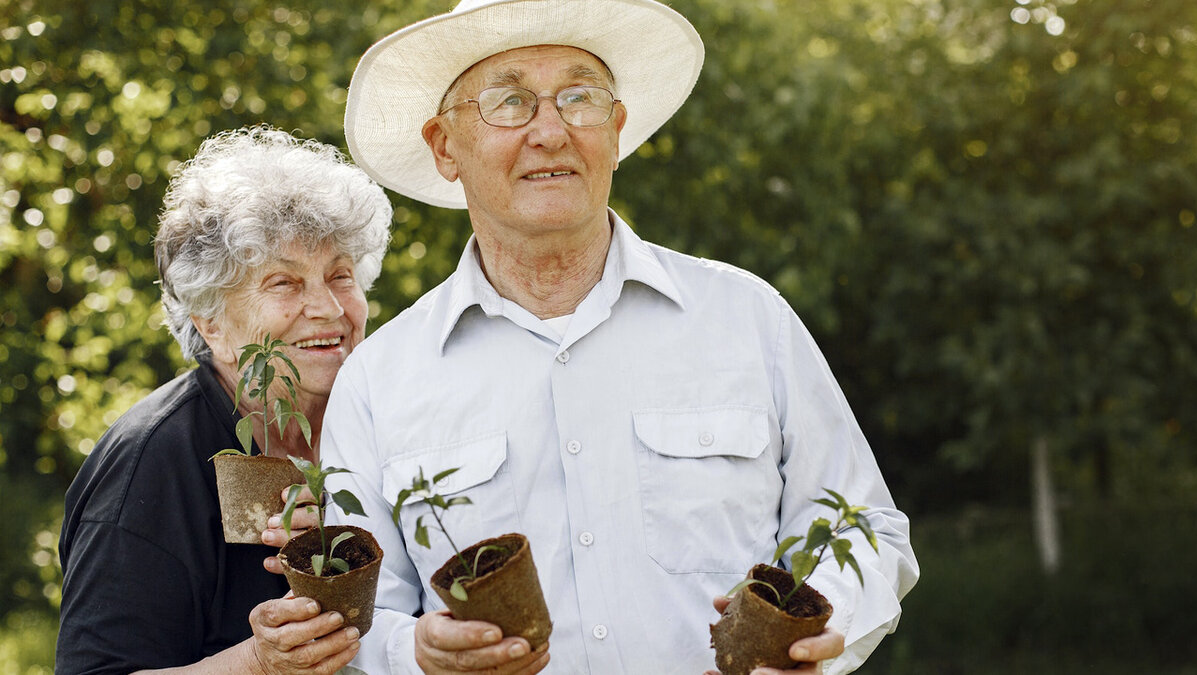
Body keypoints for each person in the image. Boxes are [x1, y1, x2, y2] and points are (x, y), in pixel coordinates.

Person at [324, 0, 919, 673]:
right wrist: (414, 654)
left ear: (615, 128)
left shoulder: (749, 319)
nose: (550, 130)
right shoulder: (378, 379)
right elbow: (355, 619)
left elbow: (863, 528)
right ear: (444, 147)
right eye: (510, 100)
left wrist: (815, 634)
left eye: (579, 97)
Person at [57, 125, 392, 674]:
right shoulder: (153, 462)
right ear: (211, 324)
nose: (329, 309)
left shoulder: (380, 422)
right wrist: (260, 662)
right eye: (283, 283)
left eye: (341, 275)